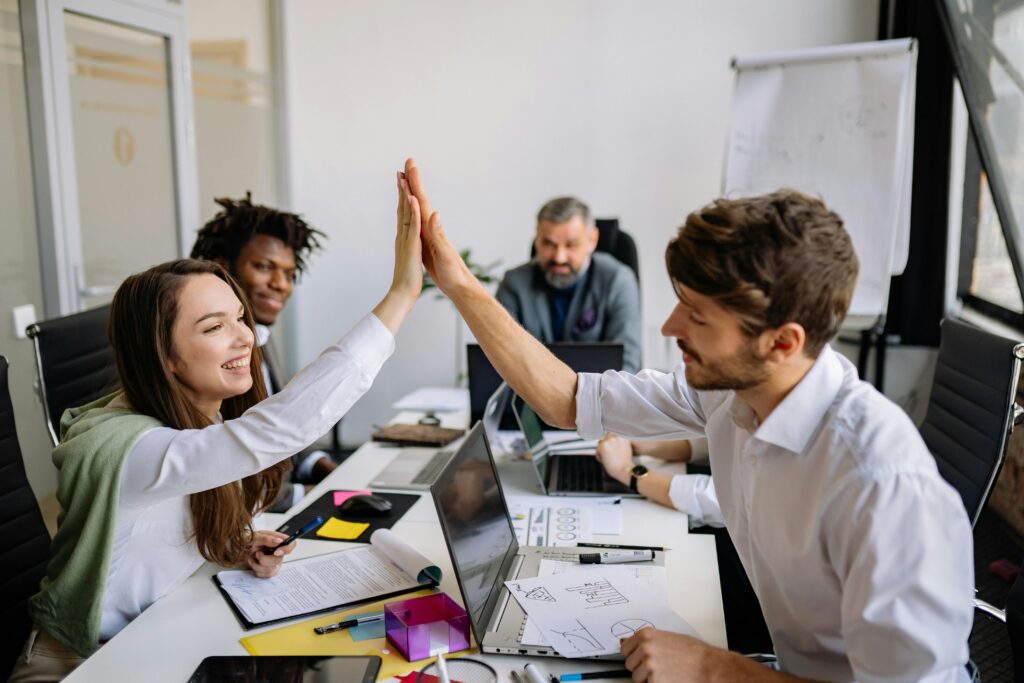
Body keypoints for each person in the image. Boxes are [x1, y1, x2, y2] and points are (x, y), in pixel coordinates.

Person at [406, 159, 974, 682]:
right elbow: (567, 397)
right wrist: (457, 282)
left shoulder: (881, 486)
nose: (668, 327)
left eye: (697, 317)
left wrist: (712, 669)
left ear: (782, 342)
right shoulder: (731, 394)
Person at [10, 171, 423, 682]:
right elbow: (276, 430)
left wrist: (233, 550)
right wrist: (403, 292)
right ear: (165, 357)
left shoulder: (194, 424)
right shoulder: (130, 448)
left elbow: (157, 535)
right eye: (214, 327)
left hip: (154, 639)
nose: (245, 338)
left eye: (239, 318)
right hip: (79, 665)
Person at [190, 194, 334, 510]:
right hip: (248, 513)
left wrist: (326, 468)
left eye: (289, 274)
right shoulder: (202, 355)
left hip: (280, 494)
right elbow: (217, 472)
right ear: (222, 267)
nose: (281, 284)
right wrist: (310, 495)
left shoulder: (259, 334)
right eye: (265, 267)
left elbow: (279, 424)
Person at [496, 196, 642, 372]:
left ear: (592, 240)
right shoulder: (514, 284)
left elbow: (627, 366)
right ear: (537, 239)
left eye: (571, 245)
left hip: (598, 397)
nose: (559, 257)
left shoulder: (618, 281)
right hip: (527, 397)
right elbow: (498, 356)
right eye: (549, 244)